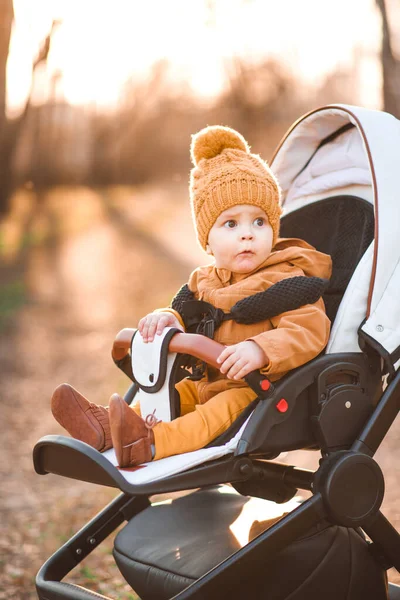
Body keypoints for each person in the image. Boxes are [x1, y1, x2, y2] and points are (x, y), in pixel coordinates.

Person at [51, 125, 332, 468]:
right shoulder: (203, 280)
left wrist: (261, 349)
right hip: (204, 381)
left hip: (255, 393)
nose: (247, 235)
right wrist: (168, 318)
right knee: (168, 395)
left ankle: (149, 444)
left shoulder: (286, 277)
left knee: (210, 417)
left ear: (274, 227)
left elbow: (309, 331)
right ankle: (107, 429)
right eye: (231, 224)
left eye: (259, 222)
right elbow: (187, 316)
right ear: (207, 239)